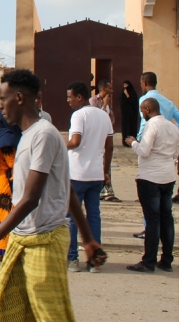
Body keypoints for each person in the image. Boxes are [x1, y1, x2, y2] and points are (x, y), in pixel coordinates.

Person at [0, 70, 105, 322]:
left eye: (3, 99)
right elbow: (67, 190)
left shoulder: (44, 135)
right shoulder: (27, 136)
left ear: (19, 98)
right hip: (21, 238)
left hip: (44, 241)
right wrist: (89, 240)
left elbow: (30, 199)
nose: (1, 107)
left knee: (51, 315)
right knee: (10, 312)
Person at [123, 98, 179, 272]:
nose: (142, 114)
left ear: (147, 109)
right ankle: (166, 260)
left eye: (142, 111)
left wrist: (133, 142)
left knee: (153, 220)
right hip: (168, 176)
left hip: (150, 178)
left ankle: (148, 261)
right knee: (167, 218)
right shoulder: (172, 127)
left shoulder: (151, 125)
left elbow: (144, 151)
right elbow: (176, 153)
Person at [65, 80, 113, 272]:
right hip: (96, 174)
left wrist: (59, 144)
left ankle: (72, 259)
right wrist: (106, 170)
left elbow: (75, 142)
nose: (68, 101)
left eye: (70, 97)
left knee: (72, 217)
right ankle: (94, 261)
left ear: (79, 97)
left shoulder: (79, 115)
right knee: (94, 216)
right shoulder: (104, 115)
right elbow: (109, 146)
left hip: (77, 173)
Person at [137, 72, 179, 204]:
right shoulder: (168, 102)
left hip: (149, 138)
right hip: (168, 140)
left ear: (144, 82)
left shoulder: (144, 100)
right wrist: (174, 131)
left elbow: (144, 122)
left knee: (148, 169)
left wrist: (138, 139)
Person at [0, 107, 22, 260]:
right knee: (8, 218)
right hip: (7, 184)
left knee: (1, 217)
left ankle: (2, 250)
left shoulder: (1, 135)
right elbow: (14, 164)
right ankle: (6, 251)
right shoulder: (9, 139)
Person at [90, 79, 120, 202]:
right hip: (97, 136)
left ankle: (107, 189)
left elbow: (110, 118)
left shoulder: (107, 102)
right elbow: (96, 117)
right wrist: (104, 105)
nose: (111, 91)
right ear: (103, 89)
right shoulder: (93, 101)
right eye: (109, 88)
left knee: (106, 160)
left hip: (107, 135)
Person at [119, 80, 140, 145]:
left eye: (126, 84)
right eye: (124, 84)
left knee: (131, 127)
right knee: (125, 127)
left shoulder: (133, 92)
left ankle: (132, 141)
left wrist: (128, 95)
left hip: (131, 115)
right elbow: (121, 101)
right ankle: (125, 142)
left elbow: (133, 102)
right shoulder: (122, 92)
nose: (125, 86)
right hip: (125, 114)